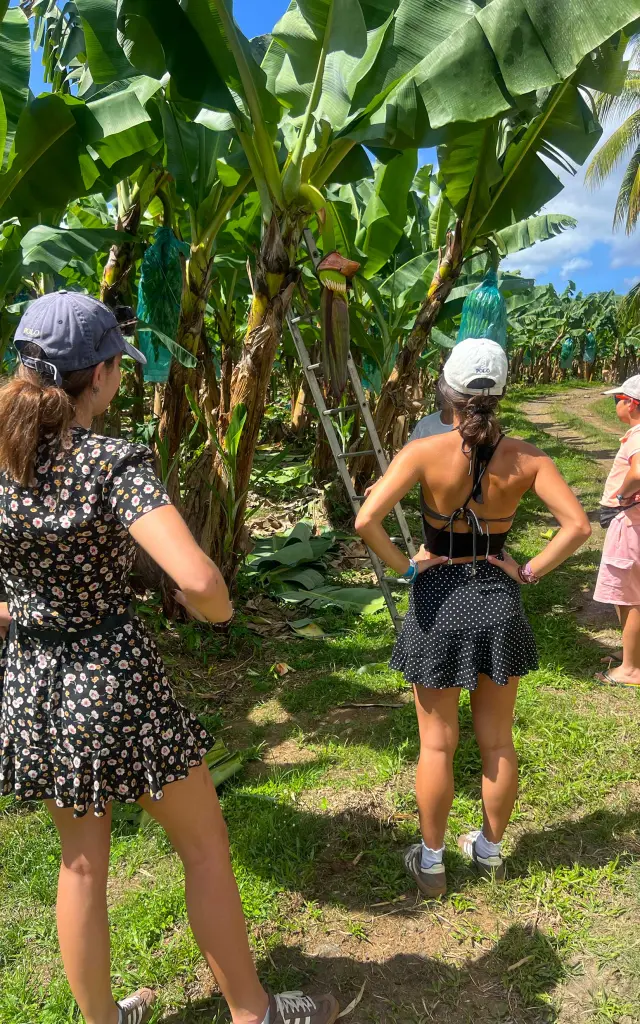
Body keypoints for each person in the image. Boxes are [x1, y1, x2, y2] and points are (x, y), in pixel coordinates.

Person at [0, 292, 339, 1024]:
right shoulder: (112, 461)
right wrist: (215, 608)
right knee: (205, 844)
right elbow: (197, 580)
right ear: (102, 376)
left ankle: (102, 1020)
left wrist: (24, 610)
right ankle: (253, 1013)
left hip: (33, 680)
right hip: (113, 679)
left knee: (81, 863)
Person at [355, 338, 590, 897]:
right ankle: (488, 852)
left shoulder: (425, 452)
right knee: (498, 742)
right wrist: (526, 570)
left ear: (448, 393)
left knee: (437, 744)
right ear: (501, 394)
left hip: (438, 601)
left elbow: (367, 519)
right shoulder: (528, 457)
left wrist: (407, 568)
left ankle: (431, 862)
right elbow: (578, 527)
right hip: (497, 601)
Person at [594, 376, 640, 688]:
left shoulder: (638, 437)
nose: (616, 405)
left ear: (632, 404)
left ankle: (631, 669)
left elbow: (637, 471)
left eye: (618, 400)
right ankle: (631, 655)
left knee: (629, 597)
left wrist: (622, 494)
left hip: (631, 522)